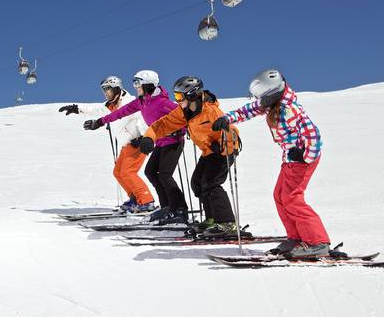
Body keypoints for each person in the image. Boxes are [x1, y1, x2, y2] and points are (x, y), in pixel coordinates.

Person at [212, 69, 330, 257]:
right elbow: (248, 110)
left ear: (272, 93)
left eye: (261, 97)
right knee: (280, 196)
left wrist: (305, 156)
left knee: (292, 198)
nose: (259, 101)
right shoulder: (272, 103)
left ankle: (318, 242)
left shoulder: (291, 109)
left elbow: (313, 134)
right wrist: (228, 118)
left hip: (302, 161)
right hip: (290, 160)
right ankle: (296, 238)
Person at [84, 70, 188, 224]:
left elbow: (184, 117)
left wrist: (185, 130)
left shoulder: (164, 103)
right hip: (159, 142)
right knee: (151, 172)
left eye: (138, 83)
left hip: (174, 142)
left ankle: (179, 209)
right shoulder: (142, 101)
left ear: (148, 84)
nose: (135, 87)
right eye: (135, 83)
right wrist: (100, 122)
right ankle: (167, 207)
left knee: (165, 175)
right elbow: (120, 113)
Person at [142, 76, 241, 236]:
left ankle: (227, 223)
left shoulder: (211, 111)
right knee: (197, 183)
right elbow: (163, 124)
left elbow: (232, 131)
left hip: (224, 150)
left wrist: (225, 144)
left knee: (211, 184)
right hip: (209, 151)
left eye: (180, 97)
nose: (177, 100)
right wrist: (149, 136)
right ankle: (212, 219)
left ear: (192, 95)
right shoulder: (185, 112)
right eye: (176, 96)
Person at [59, 76, 154, 212]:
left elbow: (143, 117)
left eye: (108, 89)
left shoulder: (130, 101)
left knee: (128, 172)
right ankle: (134, 197)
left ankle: (147, 201)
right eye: (104, 90)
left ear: (116, 89)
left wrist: (144, 137)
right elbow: (94, 109)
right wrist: (76, 108)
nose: (105, 93)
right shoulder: (110, 105)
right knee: (118, 173)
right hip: (126, 144)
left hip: (137, 143)